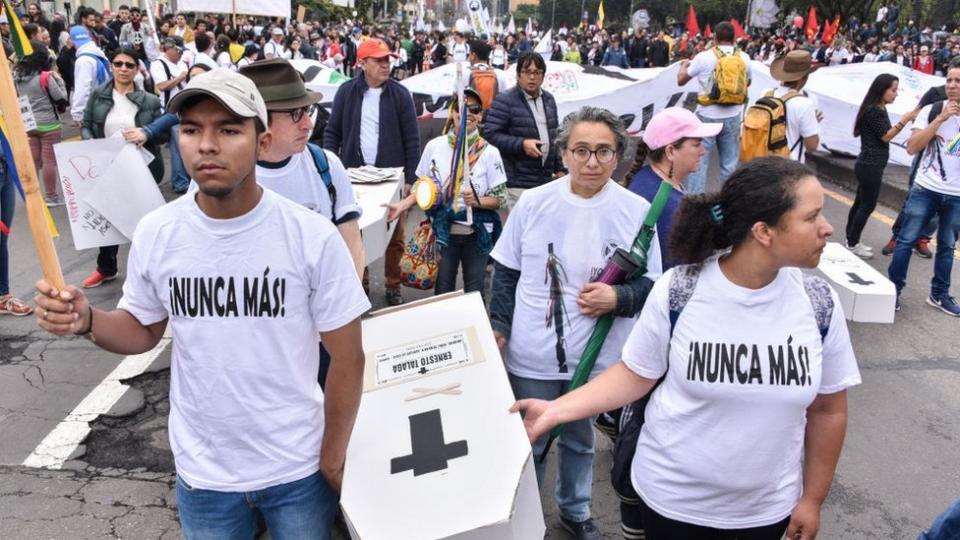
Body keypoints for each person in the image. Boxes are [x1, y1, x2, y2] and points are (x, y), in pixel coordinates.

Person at [34, 68, 368, 539]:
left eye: (229, 129)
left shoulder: (310, 237)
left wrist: (332, 456)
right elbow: (141, 328)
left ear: (262, 140)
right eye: (191, 130)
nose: (206, 145)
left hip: (297, 469)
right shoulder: (158, 232)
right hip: (205, 476)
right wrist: (87, 318)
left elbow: (348, 357)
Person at [512, 156, 860, 540]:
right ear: (764, 231)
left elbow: (828, 410)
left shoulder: (819, 303)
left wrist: (812, 499)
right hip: (671, 503)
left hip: (766, 512)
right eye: (812, 217)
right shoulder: (681, 290)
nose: (827, 229)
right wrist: (556, 410)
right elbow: (635, 373)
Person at [489, 107, 663, 540]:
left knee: (580, 438)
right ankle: (525, 519)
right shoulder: (532, 202)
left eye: (604, 151)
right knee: (530, 442)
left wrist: (618, 297)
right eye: (581, 150)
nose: (592, 161)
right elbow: (506, 272)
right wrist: (499, 327)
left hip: (596, 354)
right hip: (533, 350)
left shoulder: (637, 210)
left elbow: (653, 284)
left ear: (619, 155)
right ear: (563, 153)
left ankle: (575, 511)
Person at [240, 58, 364, 388]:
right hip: (255, 346)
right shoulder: (226, 175)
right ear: (260, 120)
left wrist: (341, 321)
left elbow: (351, 243)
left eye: (308, 112)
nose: (309, 124)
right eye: (296, 114)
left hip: (321, 337)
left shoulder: (326, 165)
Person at [324, 38, 420, 306]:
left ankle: (393, 283)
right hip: (353, 177)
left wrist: (411, 179)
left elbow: (412, 140)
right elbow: (332, 133)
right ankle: (361, 282)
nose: (385, 65)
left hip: (391, 177)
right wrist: (330, 170)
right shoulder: (346, 92)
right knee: (357, 231)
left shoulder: (400, 95)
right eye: (378, 60)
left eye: (387, 59)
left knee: (395, 235)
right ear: (362, 63)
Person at [386, 89, 507, 300]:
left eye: (475, 109)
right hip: (443, 233)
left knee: (474, 293)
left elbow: (500, 198)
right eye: (462, 107)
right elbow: (421, 186)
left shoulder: (490, 153)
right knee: (442, 292)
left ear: (480, 116)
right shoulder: (434, 147)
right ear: (453, 113)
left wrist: (477, 202)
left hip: (477, 234)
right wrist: (403, 205)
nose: (468, 113)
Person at [80, 47, 166, 288]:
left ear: (137, 69)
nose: (123, 69)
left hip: (143, 167)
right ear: (111, 66)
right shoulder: (99, 95)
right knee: (109, 218)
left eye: (129, 65)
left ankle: (153, 270)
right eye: (118, 64)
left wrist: (146, 135)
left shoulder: (148, 99)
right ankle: (105, 268)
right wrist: (92, 143)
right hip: (109, 166)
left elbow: (164, 134)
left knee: (146, 220)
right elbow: (86, 125)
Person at [888, 64, 960, 316]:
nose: (951, 85)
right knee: (906, 240)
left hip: (956, 194)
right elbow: (912, 147)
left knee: (948, 246)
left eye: (957, 81)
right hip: (925, 188)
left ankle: (939, 295)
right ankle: (893, 290)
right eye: (949, 79)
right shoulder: (932, 111)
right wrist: (941, 119)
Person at [627, 108, 718, 270]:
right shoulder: (669, 205)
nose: (703, 151)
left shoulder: (648, 176)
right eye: (696, 145)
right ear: (670, 151)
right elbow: (679, 270)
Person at [846, 74, 919, 259]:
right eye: (893, 90)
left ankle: (850, 240)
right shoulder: (874, 111)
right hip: (870, 165)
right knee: (867, 206)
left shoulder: (878, 108)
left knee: (860, 203)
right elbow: (886, 136)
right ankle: (853, 243)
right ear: (882, 89)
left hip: (869, 164)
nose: (896, 94)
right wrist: (904, 120)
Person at [678, 22, 751, 194]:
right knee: (729, 163)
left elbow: (681, 80)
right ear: (734, 38)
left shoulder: (703, 57)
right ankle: (730, 204)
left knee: (699, 162)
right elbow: (747, 83)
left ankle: (696, 206)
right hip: (733, 116)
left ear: (714, 37)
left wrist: (683, 67)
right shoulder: (744, 58)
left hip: (706, 116)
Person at [483, 52, 562, 211]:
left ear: (542, 76)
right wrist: (522, 144)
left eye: (537, 72)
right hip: (517, 183)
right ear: (518, 75)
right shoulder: (505, 100)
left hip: (544, 183)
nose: (532, 77)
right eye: (527, 72)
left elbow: (555, 137)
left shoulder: (549, 100)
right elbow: (490, 135)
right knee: (521, 233)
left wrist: (560, 169)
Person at [14, 41, 67, 206]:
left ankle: (33, 196)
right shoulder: (45, 77)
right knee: (49, 161)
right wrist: (59, 81)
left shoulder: (18, 78)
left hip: (29, 123)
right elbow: (61, 98)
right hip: (49, 124)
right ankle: (51, 196)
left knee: (35, 161)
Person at [150, 37, 190, 194]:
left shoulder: (181, 62)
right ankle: (180, 182)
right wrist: (180, 77)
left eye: (181, 51)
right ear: (168, 49)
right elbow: (161, 86)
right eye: (178, 50)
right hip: (170, 110)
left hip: (185, 109)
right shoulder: (158, 64)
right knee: (178, 147)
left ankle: (184, 179)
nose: (180, 53)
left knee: (183, 145)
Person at [768, 50, 822, 163]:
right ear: (804, 77)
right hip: (789, 166)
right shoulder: (806, 102)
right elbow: (812, 146)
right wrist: (813, 123)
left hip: (763, 161)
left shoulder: (766, 94)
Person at [69, 25, 110, 127]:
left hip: (93, 110)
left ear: (72, 40)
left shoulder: (83, 60)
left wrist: (77, 113)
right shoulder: (99, 54)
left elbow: (83, 87)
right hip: (107, 105)